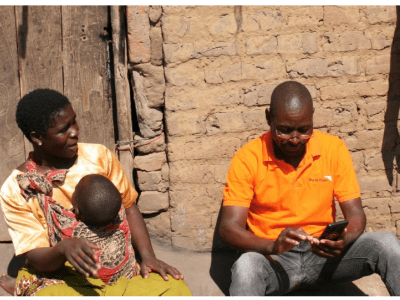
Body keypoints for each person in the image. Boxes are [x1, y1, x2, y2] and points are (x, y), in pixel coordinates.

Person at [0, 89, 191, 296]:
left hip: (121, 269)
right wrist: (64, 249)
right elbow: (37, 257)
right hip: (62, 275)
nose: (75, 132)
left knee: (175, 288)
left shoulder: (98, 156)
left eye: (74, 121)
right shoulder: (17, 187)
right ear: (37, 137)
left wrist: (147, 257)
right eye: (64, 130)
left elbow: (129, 208)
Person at [219, 80, 400, 296]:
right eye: (285, 131)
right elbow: (228, 228)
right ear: (269, 118)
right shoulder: (248, 158)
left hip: (324, 257)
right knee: (246, 267)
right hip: (275, 260)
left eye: (304, 130)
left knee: (386, 243)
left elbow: (356, 214)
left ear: (312, 117)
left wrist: (344, 240)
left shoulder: (333, 149)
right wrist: (272, 246)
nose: (295, 139)